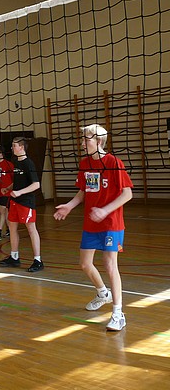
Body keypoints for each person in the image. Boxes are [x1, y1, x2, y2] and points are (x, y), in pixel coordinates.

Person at [54, 124, 133, 331]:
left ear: (98, 141)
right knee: (84, 264)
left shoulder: (114, 163)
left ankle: (118, 314)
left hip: (111, 223)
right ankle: (103, 293)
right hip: (91, 223)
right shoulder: (85, 163)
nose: (82, 143)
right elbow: (83, 192)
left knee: (110, 265)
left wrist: (105, 211)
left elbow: (127, 194)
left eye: (86, 139)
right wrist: (69, 206)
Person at [0, 137, 44, 272]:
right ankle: (14, 257)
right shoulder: (16, 162)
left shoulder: (28, 163)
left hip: (26, 202)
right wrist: (8, 188)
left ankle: (38, 260)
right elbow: (18, 181)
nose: (12, 148)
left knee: (31, 229)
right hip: (15, 202)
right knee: (12, 227)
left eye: (14, 145)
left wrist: (19, 192)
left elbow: (36, 184)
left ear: (21, 147)